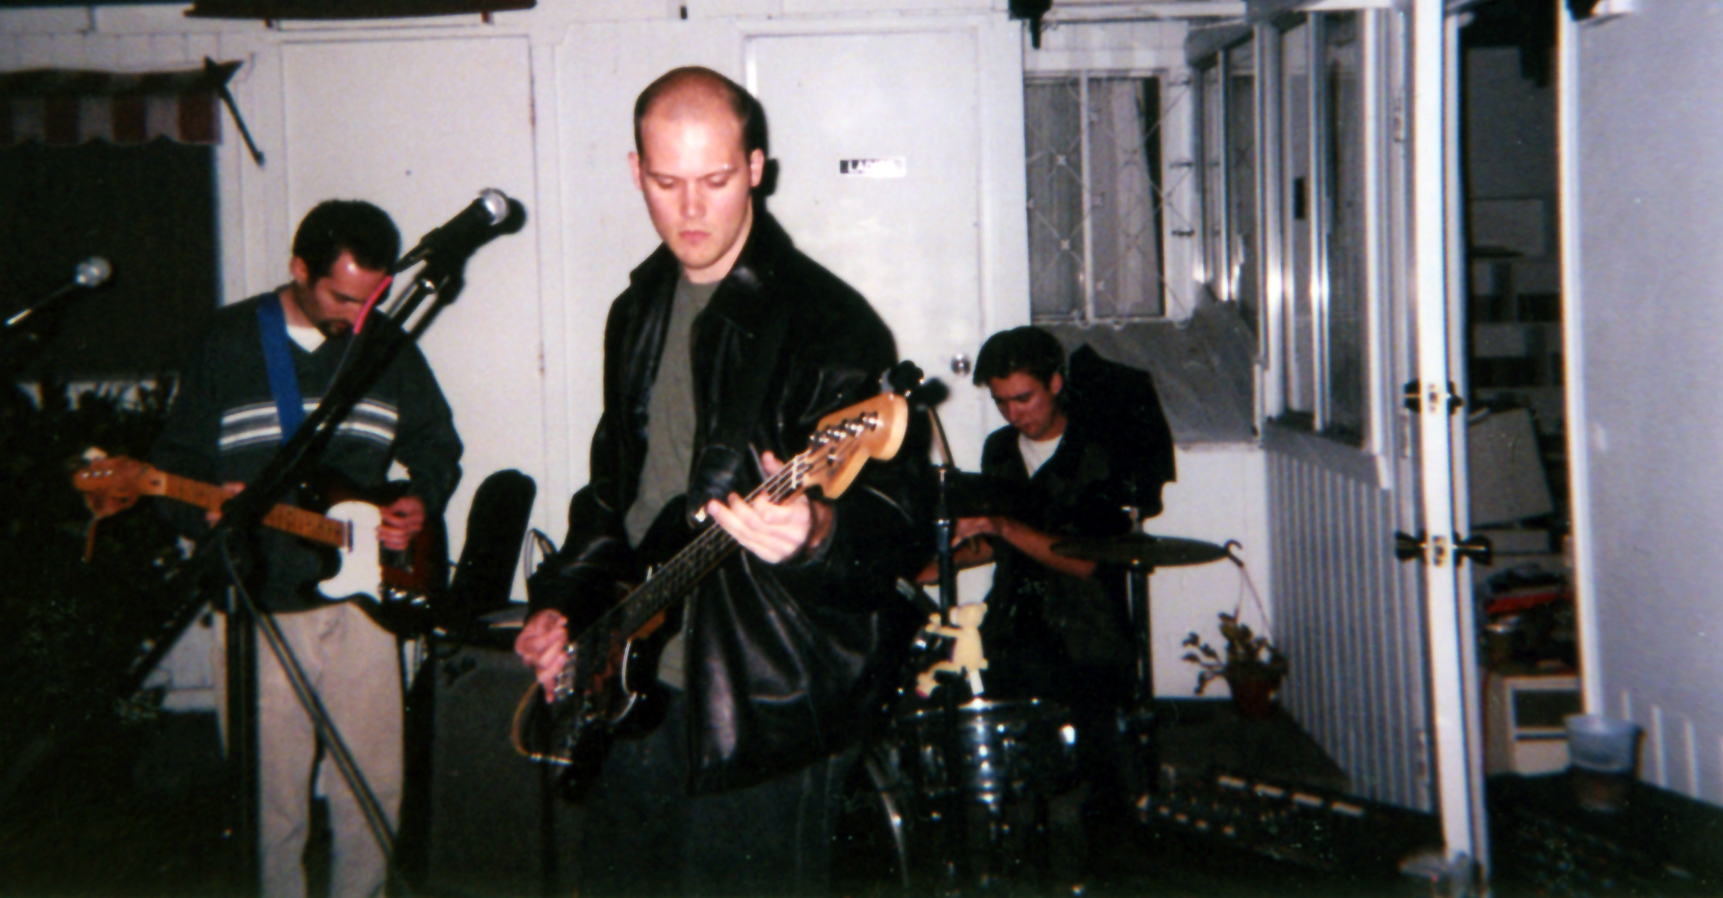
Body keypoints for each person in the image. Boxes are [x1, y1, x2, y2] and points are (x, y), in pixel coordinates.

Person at [515, 66, 925, 897]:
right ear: (636, 171)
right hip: (632, 686)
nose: (692, 209)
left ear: (756, 169)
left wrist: (816, 534)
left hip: (764, 697)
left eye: (716, 179)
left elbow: (897, 524)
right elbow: (613, 493)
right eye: (667, 183)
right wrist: (561, 604)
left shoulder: (828, 322)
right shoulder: (637, 309)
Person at [151, 199, 463, 898]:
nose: (358, 317)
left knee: (374, 788)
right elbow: (174, 463)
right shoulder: (229, 341)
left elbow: (437, 444)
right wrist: (204, 510)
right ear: (298, 269)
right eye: (342, 298)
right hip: (260, 600)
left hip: (365, 602)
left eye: (370, 300)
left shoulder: (385, 343)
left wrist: (420, 501)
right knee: (271, 801)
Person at [950, 326, 1173, 803]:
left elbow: (1087, 562)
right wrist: (935, 563)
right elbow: (998, 543)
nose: (1014, 414)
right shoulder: (1000, 449)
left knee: (1099, 784)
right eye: (1002, 402)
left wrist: (1000, 525)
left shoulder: (1099, 450)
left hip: (1086, 629)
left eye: (1024, 398)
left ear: (1055, 383)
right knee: (966, 705)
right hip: (1015, 620)